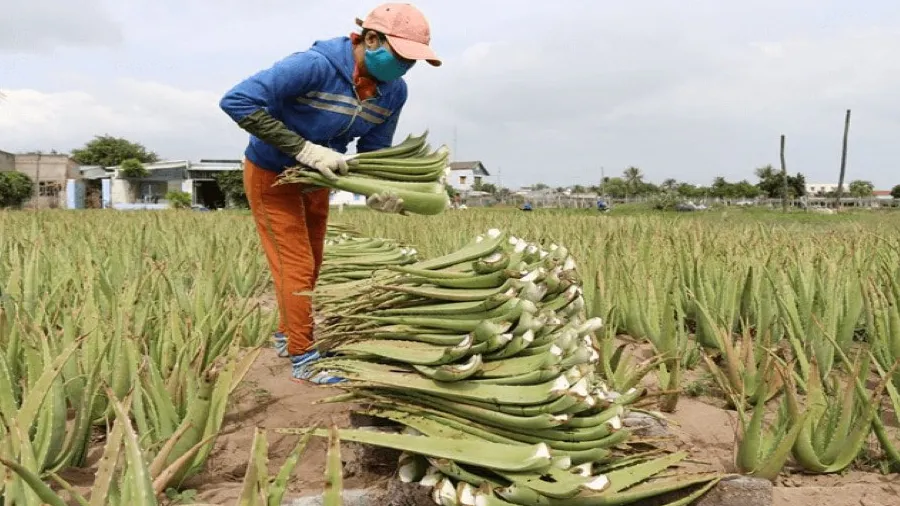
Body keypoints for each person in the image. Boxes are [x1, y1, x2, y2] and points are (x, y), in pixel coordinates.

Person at [219, 3, 441, 384]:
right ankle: (304, 357)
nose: (405, 67)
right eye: (401, 56)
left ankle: (287, 336)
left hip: (319, 180)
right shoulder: (313, 66)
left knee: (313, 264)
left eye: (413, 61)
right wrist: (303, 149)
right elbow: (236, 101)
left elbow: (374, 152)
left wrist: (377, 194)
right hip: (271, 175)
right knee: (296, 266)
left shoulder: (393, 93)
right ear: (371, 39)